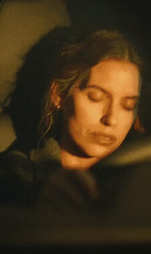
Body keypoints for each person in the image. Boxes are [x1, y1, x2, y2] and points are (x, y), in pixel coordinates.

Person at [8, 28, 142, 171]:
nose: (111, 120)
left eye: (128, 106)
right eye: (95, 98)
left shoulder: (144, 178)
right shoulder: (17, 172)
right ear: (59, 95)